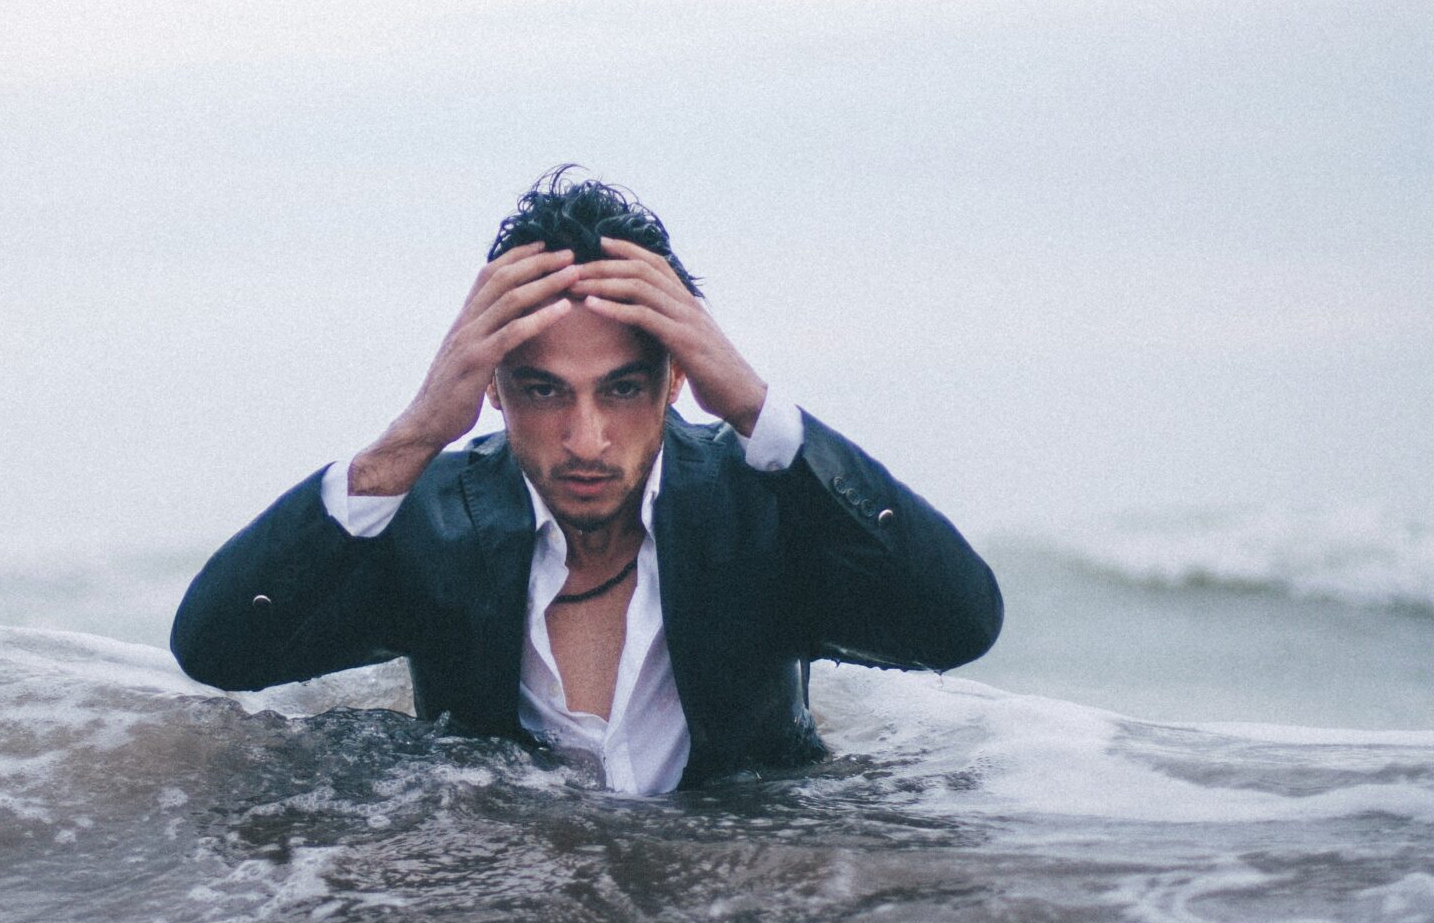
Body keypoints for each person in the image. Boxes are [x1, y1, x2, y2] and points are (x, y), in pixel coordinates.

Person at [172, 172, 1003, 793]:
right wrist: (415, 434)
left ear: (676, 379)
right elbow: (219, 652)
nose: (586, 439)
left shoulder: (761, 508)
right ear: (491, 385)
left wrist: (753, 405)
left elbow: (957, 624)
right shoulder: (431, 521)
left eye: (621, 387)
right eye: (543, 391)